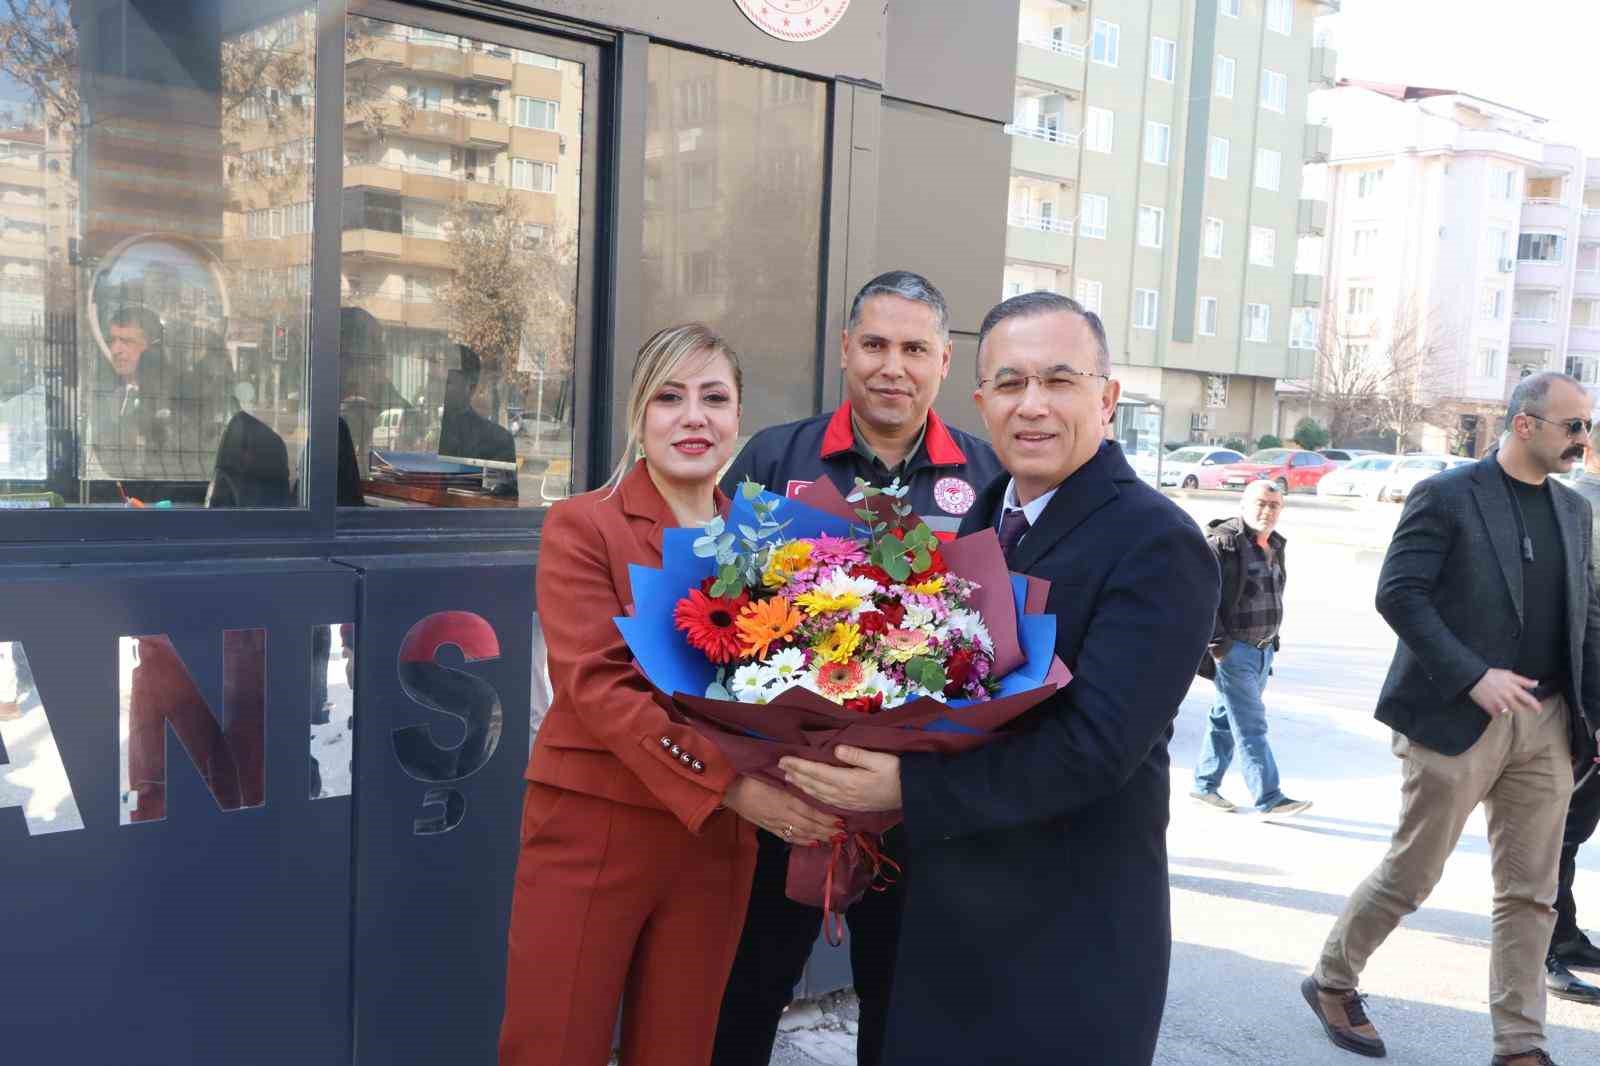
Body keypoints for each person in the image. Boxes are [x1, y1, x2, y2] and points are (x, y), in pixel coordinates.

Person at [779, 291, 1219, 1065]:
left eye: (1059, 380)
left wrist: (903, 790)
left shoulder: (1157, 543)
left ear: (1106, 398)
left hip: (1066, 945)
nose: (1033, 406)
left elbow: (1096, 749)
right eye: (1010, 384)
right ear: (980, 401)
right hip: (946, 926)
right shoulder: (984, 518)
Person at [498, 323, 841, 1066]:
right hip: (597, 824)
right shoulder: (583, 525)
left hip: (716, 846)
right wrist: (735, 789)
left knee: (683, 1047)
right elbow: (597, 687)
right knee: (555, 1044)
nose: (694, 417)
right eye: (670, 397)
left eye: (714, 398)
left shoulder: (770, 541)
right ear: (639, 417)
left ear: (738, 417)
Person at [712, 270, 1003, 1066]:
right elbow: (717, 617)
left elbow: (1002, 646)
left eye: (915, 348)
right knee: (744, 992)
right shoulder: (777, 457)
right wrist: (759, 768)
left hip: (914, 803)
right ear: (844, 350)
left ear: (946, 362)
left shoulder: (986, 477)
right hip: (785, 797)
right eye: (874, 344)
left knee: (903, 1007)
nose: (892, 366)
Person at [1303, 371, 1600, 1066]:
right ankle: (1332, 980)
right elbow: (1400, 594)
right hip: (1454, 718)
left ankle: (1519, 1046)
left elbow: (1589, 614)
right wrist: (1474, 675)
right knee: (1414, 873)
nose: (1583, 440)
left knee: (1533, 894)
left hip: (1549, 723)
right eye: (1572, 426)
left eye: (1587, 426)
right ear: (1524, 424)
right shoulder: (1447, 495)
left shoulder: (1574, 510)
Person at [1190, 478, 1313, 816]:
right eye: (1260, 503)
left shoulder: (1275, 544)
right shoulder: (1223, 544)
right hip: (1234, 652)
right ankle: (1270, 797)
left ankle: (1204, 785)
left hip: (1263, 651)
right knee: (1250, 724)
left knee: (1223, 718)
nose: (1267, 511)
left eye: (1274, 505)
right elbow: (1200, 597)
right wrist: (1219, 646)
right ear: (1243, 505)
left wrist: (1271, 643)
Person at [1545, 419, 1600, 1004]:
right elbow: (1584, 609)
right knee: (1556, 827)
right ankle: (1548, 947)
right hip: (1581, 694)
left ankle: (1564, 929)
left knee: (1576, 827)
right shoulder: (1577, 503)